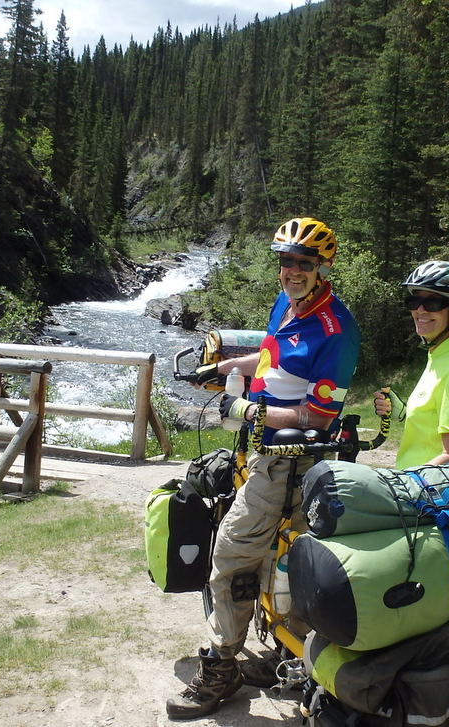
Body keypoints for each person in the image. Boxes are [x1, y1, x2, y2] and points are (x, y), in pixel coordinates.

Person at [166, 217, 361, 720]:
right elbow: (272, 358)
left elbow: (317, 416)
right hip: (259, 453)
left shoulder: (336, 331)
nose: (292, 271)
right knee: (284, 559)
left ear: (322, 267)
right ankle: (285, 654)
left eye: (303, 263)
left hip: (290, 462)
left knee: (232, 555)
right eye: (285, 262)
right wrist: (226, 369)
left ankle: (221, 666)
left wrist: (246, 411)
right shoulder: (288, 305)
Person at [375, 260, 449, 469]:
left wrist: (401, 487)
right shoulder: (440, 357)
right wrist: (402, 412)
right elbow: (433, 428)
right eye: (414, 301)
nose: (420, 310)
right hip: (423, 489)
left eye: (433, 303)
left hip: (434, 495)